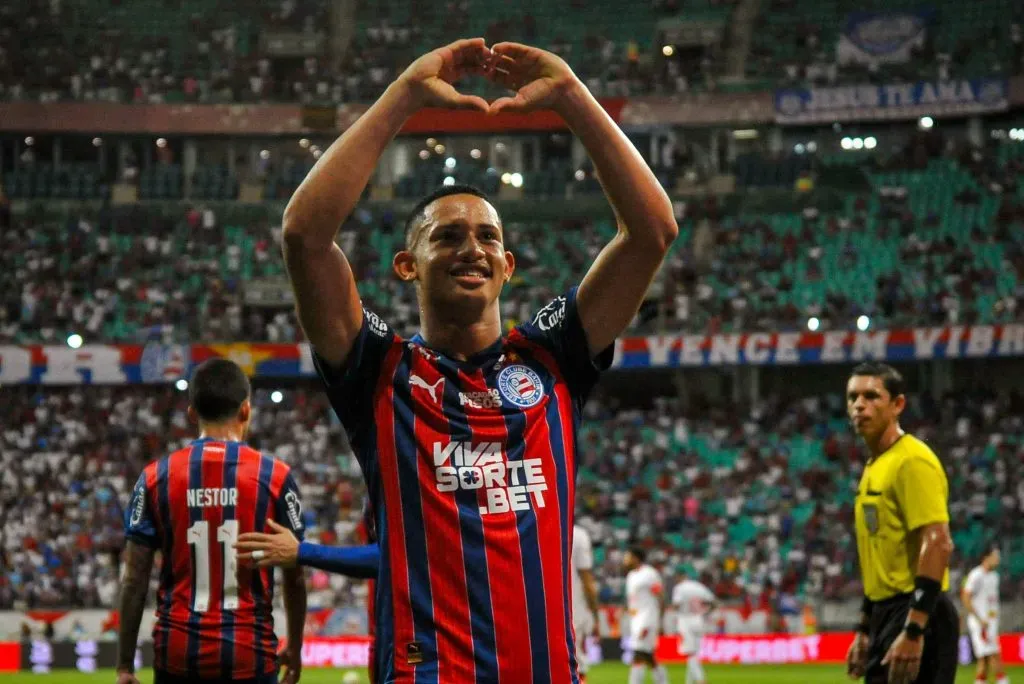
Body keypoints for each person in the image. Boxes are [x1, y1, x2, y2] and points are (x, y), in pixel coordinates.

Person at [281, 36, 677, 683]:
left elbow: (652, 232)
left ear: (508, 266)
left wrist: (574, 96)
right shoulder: (379, 371)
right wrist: (405, 94)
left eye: (488, 236)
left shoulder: (552, 358)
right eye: (448, 236)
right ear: (407, 265)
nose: (472, 248)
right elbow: (304, 235)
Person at [116, 359, 308, 684]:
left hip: (176, 654)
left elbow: (134, 580)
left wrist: (125, 666)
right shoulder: (275, 477)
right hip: (251, 654)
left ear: (192, 413)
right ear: (246, 410)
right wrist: (296, 646)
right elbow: (295, 576)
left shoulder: (155, 478)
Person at [844, 362, 957, 684]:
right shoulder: (874, 466)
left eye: (871, 396)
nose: (859, 405)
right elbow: (880, 554)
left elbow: (938, 541)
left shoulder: (911, 461)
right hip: (888, 612)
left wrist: (914, 629)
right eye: (853, 397)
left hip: (917, 613)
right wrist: (866, 628)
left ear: (898, 405)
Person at [962, 544, 1009, 684]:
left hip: (991, 622)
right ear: (986, 558)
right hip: (980, 624)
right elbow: (965, 597)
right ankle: (1003, 681)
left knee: (985, 659)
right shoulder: (976, 575)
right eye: (995, 556)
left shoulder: (994, 576)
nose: (998, 559)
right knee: (993, 654)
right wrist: (979, 619)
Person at [623, 548, 669, 684]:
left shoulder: (649, 573)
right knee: (648, 655)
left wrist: (660, 619)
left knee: (638, 651)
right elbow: (633, 599)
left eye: (628, 556)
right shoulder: (631, 575)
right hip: (635, 619)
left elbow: (660, 596)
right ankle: (663, 681)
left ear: (636, 558)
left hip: (647, 618)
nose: (625, 560)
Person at [671, 572, 717, 684]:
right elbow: (713, 602)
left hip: (685, 620)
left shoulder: (680, 588)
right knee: (694, 654)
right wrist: (705, 613)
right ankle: (689, 682)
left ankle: (701, 680)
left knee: (690, 653)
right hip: (699, 620)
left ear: (680, 577)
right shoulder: (699, 587)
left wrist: (676, 610)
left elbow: (676, 604)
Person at [571, 523, 600, 682]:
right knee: (576, 666)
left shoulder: (534, 527)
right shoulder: (578, 535)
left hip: (538, 611)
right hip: (573, 611)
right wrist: (596, 617)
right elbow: (587, 582)